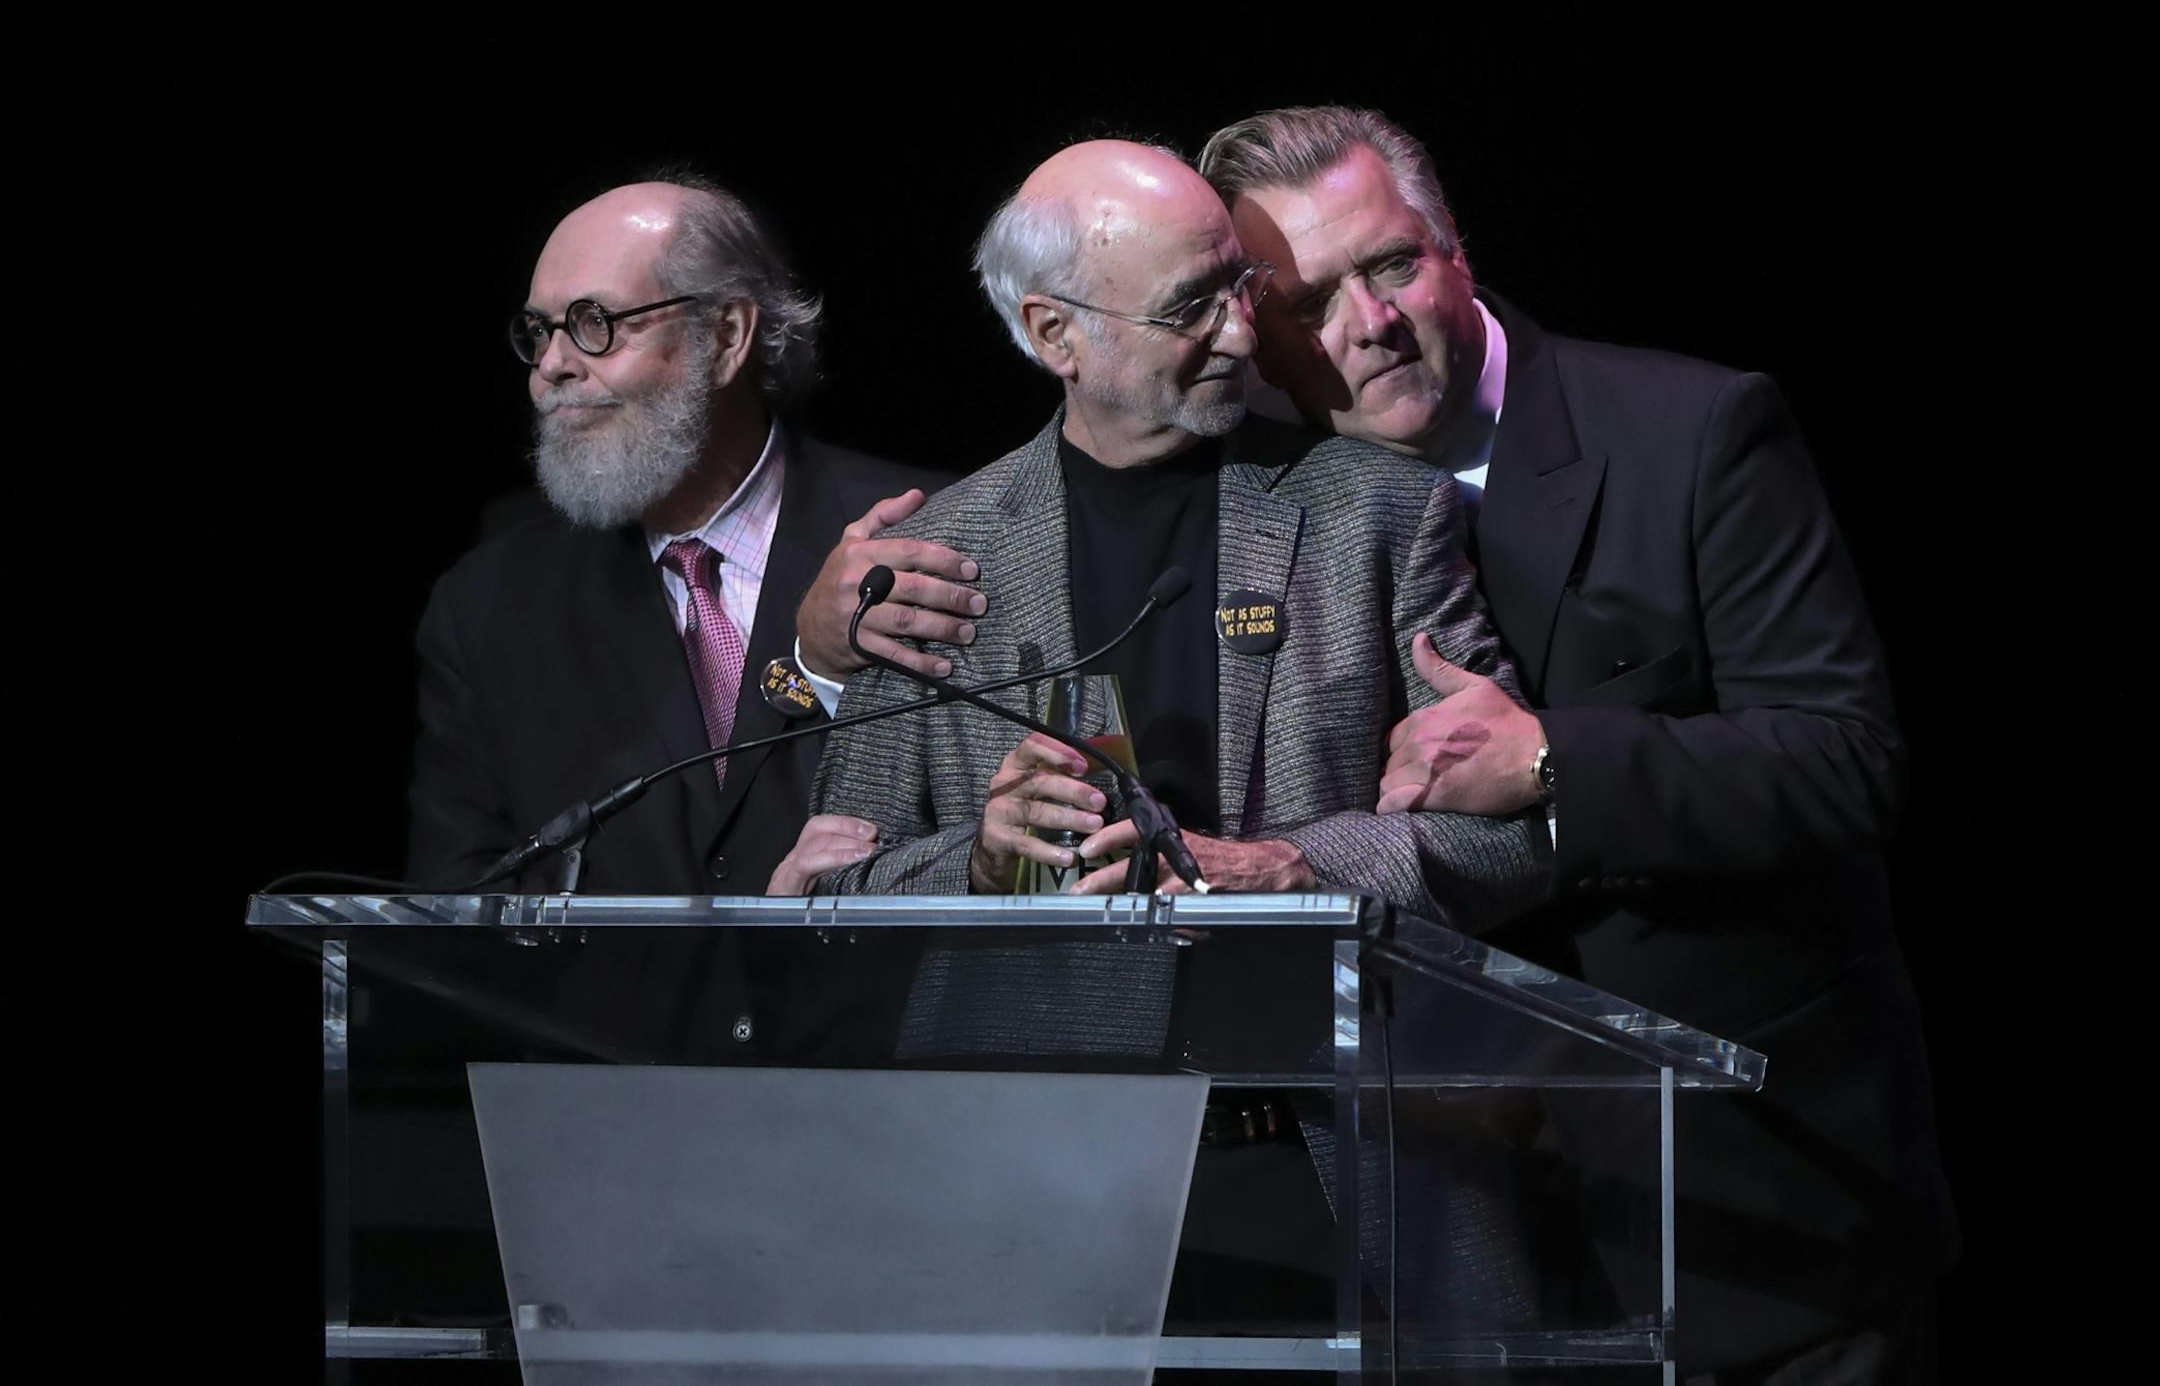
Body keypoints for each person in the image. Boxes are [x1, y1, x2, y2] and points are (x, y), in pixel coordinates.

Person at [1200, 105, 1956, 1381]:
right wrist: (836, 661)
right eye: (1311, 301)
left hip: (1752, 1213)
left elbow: (1845, 758)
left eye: (1392, 265)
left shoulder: (1693, 430)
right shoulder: (1245, 502)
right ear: (1254, 333)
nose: (1369, 324)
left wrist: (1554, 761)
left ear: (1455, 246)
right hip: (1443, 1230)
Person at [800, 139, 1544, 925]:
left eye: (1240, 286)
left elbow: (1512, 840)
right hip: (1030, 1007)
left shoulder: (1379, 512)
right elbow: (831, 890)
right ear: (1054, 334)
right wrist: (981, 866)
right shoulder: (936, 561)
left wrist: (1295, 873)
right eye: (1191, 309)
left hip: (1288, 1001)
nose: (1242, 335)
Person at [408, 172, 948, 895]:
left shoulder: (924, 532)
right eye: (539, 331)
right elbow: (455, 912)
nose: (552, 367)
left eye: (594, 322)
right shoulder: (487, 606)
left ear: (725, 337)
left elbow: (1002, 839)